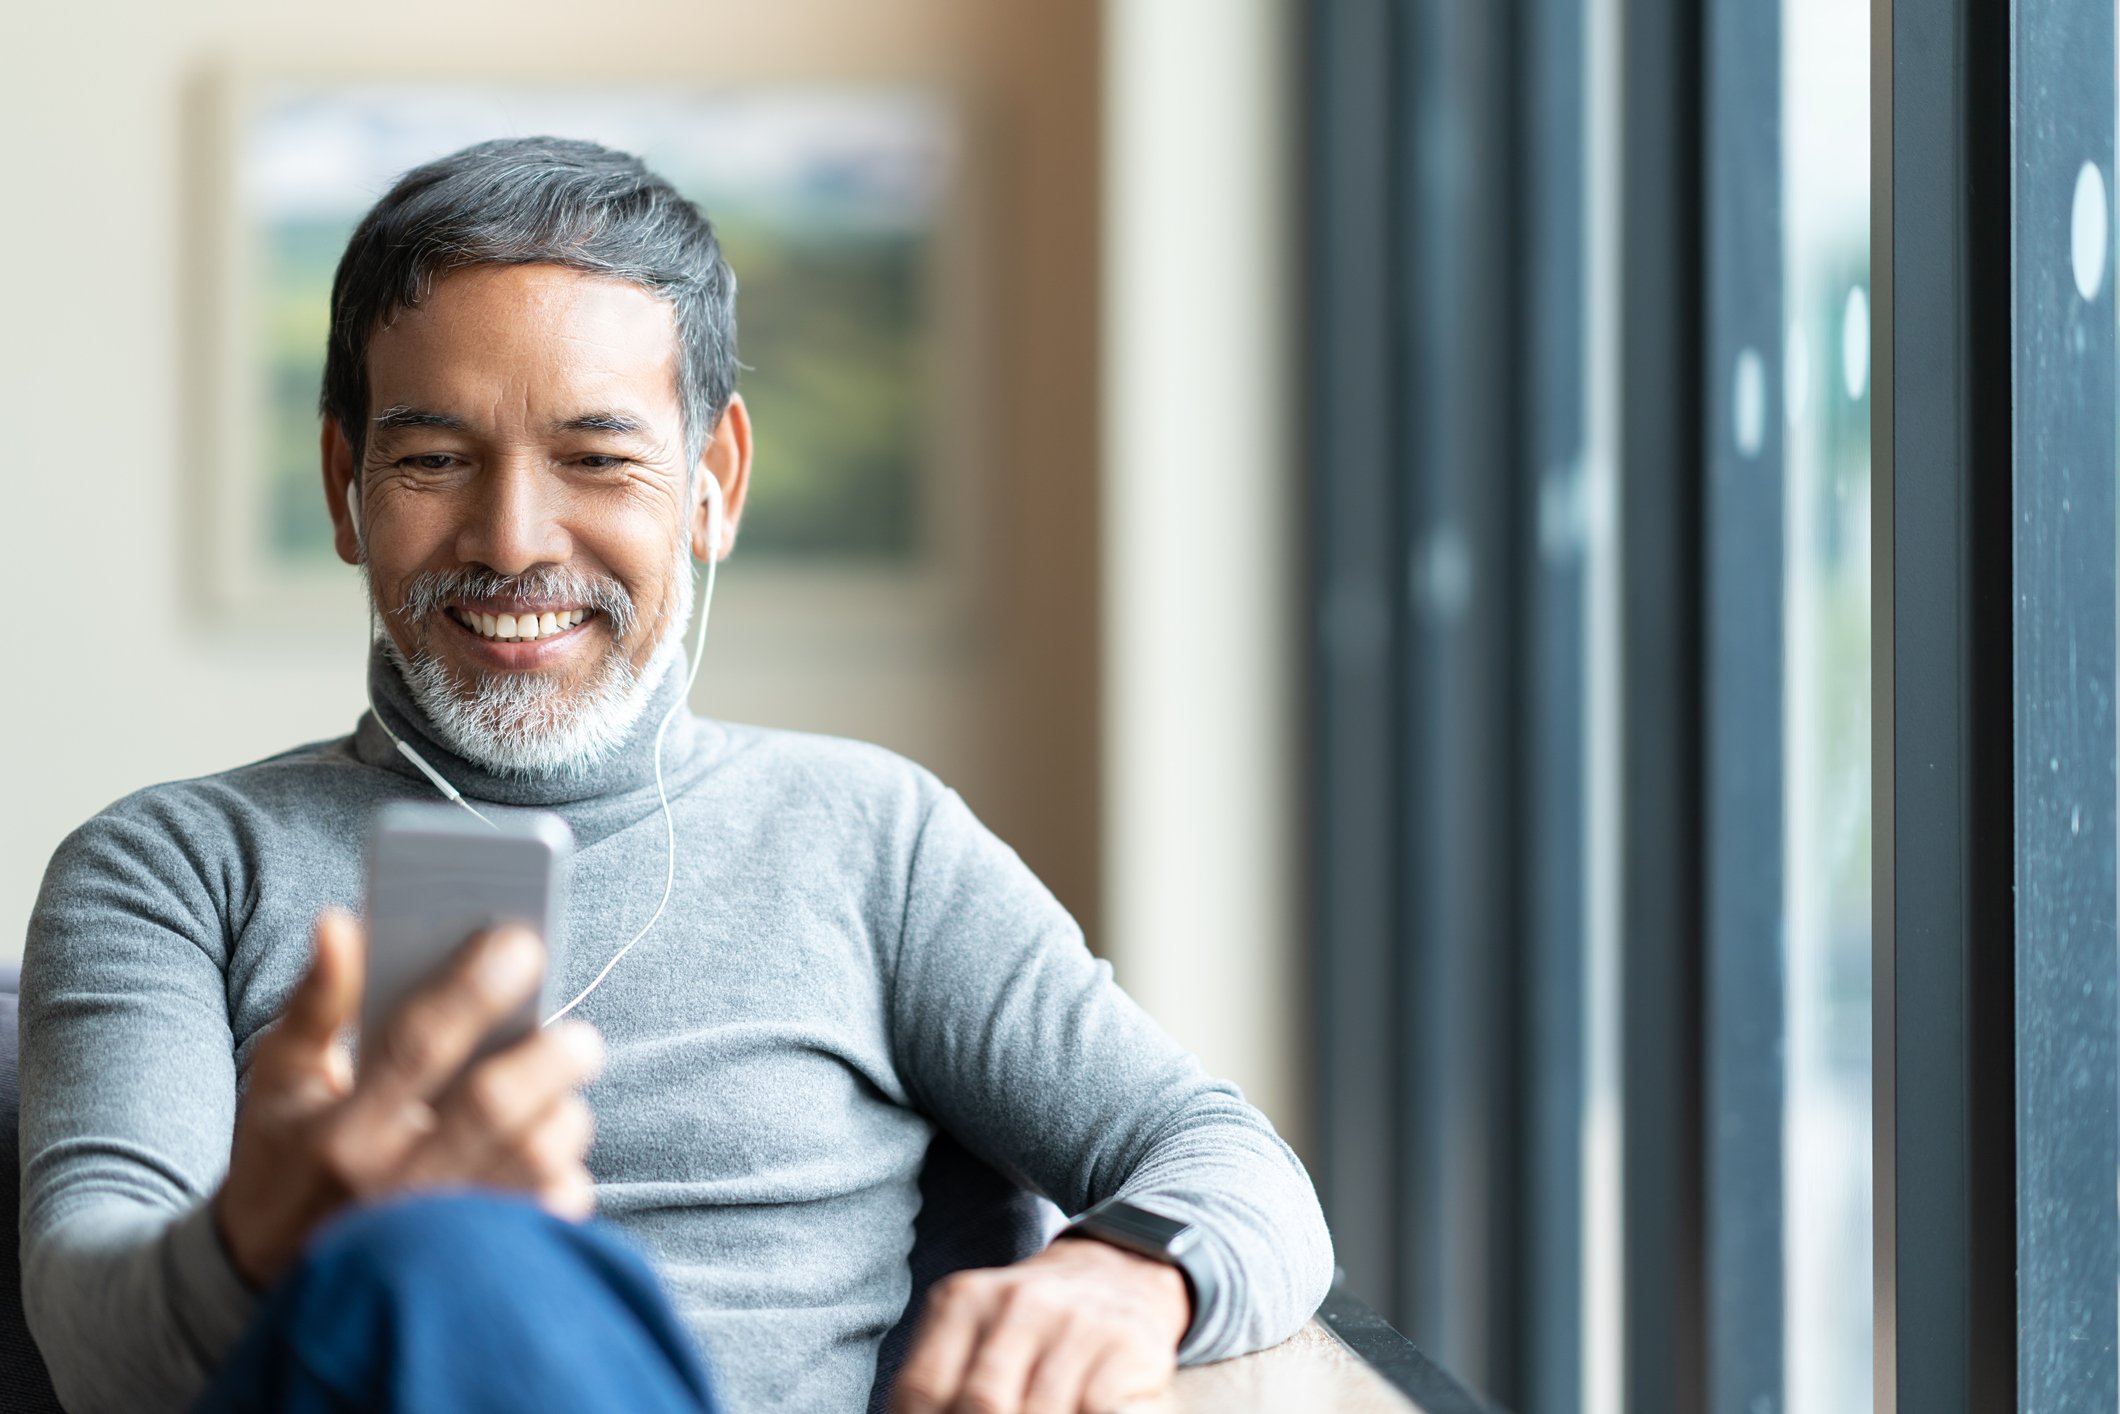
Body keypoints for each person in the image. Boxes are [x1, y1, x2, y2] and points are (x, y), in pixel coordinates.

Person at [18, 136, 1332, 1414]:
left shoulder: (875, 839)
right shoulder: (170, 865)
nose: (515, 539)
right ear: (345, 481)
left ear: (713, 483)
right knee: (434, 1258)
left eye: (596, 458)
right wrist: (259, 1244)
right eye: (432, 459)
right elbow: (89, 1340)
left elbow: (1234, 1163)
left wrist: (1127, 1268)